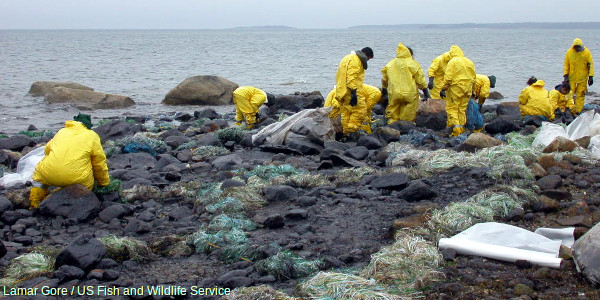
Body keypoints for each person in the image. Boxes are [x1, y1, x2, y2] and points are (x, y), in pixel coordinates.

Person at [29, 114, 110, 208]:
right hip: (76, 178)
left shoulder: (62, 131)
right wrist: (103, 182)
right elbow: (99, 163)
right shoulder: (92, 136)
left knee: (39, 176)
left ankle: (34, 202)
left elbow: (47, 150)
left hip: (48, 174)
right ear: (88, 125)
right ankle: (53, 198)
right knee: (86, 184)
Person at [381, 42, 429, 124]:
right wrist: (426, 92)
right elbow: (420, 79)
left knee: (393, 110)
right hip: (409, 93)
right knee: (409, 112)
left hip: (394, 93)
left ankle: (392, 127)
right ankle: (405, 126)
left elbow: (385, 78)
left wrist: (384, 89)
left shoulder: (390, 64)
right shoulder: (412, 63)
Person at [330, 47, 374, 134]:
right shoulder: (356, 60)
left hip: (342, 91)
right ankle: (351, 131)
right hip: (350, 91)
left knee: (346, 112)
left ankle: (345, 132)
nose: (367, 61)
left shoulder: (347, 57)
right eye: (368, 59)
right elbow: (351, 78)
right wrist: (354, 93)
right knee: (360, 111)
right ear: (365, 54)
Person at [439, 46, 476, 137]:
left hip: (456, 88)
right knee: (462, 109)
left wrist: (443, 89)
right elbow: (474, 77)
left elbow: (448, 77)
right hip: (467, 89)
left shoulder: (453, 61)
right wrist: (473, 91)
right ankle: (462, 128)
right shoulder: (469, 61)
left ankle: (455, 129)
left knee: (452, 108)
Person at [564, 38, 594, 114]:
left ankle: (578, 110)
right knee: (570, 93)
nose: (577, 49)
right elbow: (567, 65)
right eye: (576, 47)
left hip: (583, 77)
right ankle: (569, 108)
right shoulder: (569, 52)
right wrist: (565, 75)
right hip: (572, 77)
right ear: (573, 46)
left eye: (578, 47)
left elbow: (590, 64)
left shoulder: (586, 52)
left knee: (581, 94)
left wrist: (591, 76)